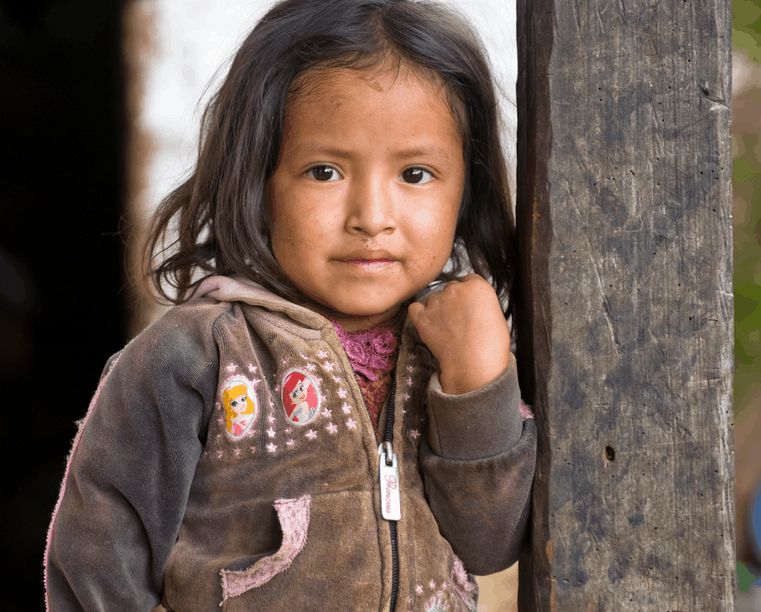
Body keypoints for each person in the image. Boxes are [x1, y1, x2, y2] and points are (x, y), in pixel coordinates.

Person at [44, 0, 536, 610]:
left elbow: (490, 546)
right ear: (259, 180)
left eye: (415, 174)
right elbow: (99, 556)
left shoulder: (455, 350)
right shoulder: (196, 355)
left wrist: (475, 383)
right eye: (324, 171)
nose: (372, 219)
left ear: (468, 189)